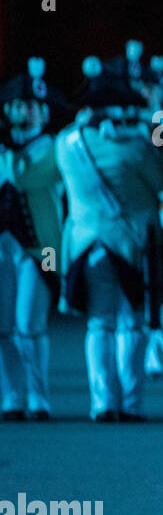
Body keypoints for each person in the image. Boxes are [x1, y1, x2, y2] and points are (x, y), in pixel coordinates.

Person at [56, 57, 163, 422]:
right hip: (131, 245)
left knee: (98, 323)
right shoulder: (137, 146)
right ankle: (131, 404)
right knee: (130, 323)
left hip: (86, 243)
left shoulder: (65, 143)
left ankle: (102, 402)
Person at [0, 58, 65, 420]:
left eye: (35, 106)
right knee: (3, 326)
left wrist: (8, 152)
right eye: (22, 105)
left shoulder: (54, 147)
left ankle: (39, 397)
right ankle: (11, 397)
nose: (29, 112)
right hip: (3, 247)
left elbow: (24, 177)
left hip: (42, 248)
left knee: (30, 324)